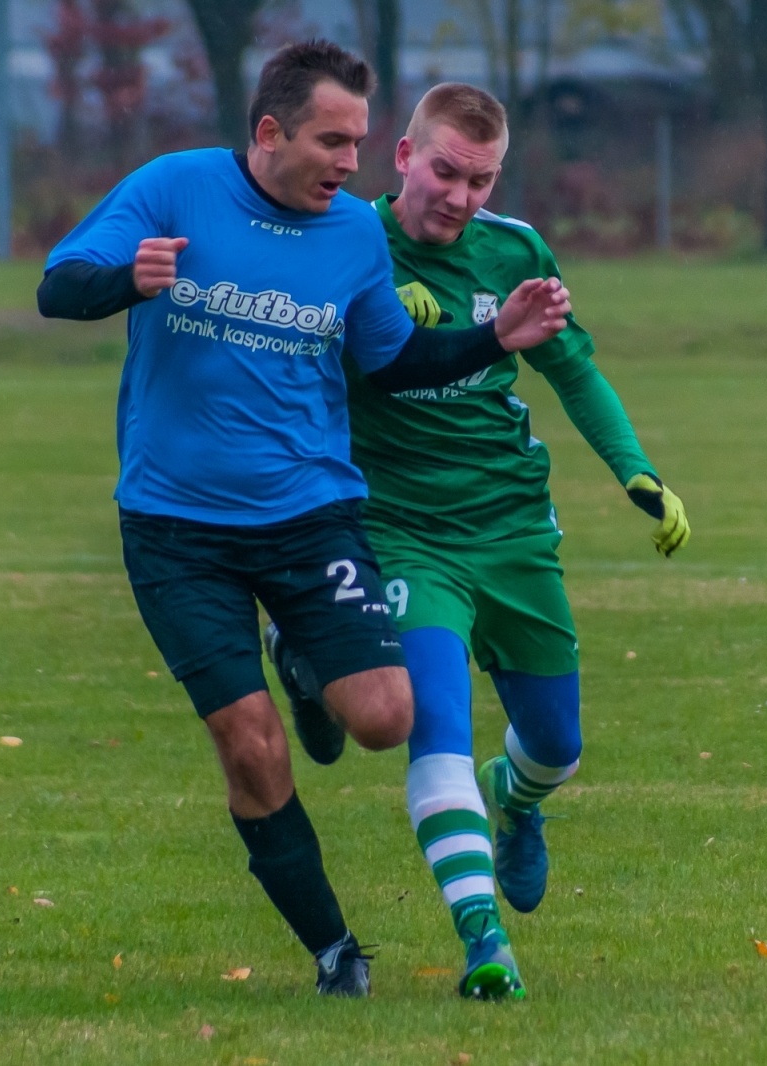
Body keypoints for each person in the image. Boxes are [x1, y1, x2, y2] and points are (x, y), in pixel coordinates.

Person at [35, 43, 571, 998]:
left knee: (384, 717)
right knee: (250, 742)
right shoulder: (174, 190)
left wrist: (495, 337)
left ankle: (305, 662)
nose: (349, 162)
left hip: (311, 518)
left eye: (359, 142)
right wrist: (127, 279)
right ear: (270, 132)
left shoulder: (351, 239)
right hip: (174, 529)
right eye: (332, 140)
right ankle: (335, 950)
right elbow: (58, 284)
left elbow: (393, 359)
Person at [277, 83, 689, 1001]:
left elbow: (572, 367)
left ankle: (521, 802)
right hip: (401, 532)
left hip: (511, 530)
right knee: (436, 736)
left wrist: (636, 470)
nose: (460, 196)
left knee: (557, 746)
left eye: (481, 179)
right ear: (404, 158)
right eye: (446, 171)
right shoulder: (343, 242)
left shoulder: (515, 251)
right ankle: (483, 941)